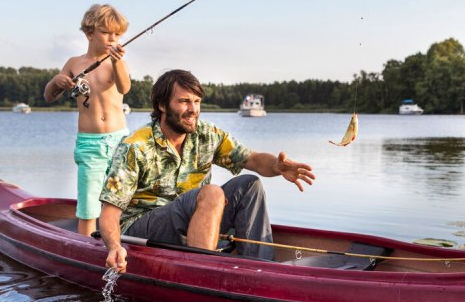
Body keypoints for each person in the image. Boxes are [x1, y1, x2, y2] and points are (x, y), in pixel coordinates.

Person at [98, 69, 314, 272]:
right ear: (162, 105)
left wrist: (276, 165)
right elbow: (109, 213)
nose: (193, 109)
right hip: (141, 228)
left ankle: (261, 270)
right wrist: (114, 246)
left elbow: (253, 159)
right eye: (184, 101)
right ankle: (202, 272)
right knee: (212, 192)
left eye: (197, 101)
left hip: (194, 221)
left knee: (249, 184)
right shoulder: (135, 146)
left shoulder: (207, 134)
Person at [43, 3, 133, 236]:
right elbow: (49, 96)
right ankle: (85, 245)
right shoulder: (75, 63)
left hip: (119, 142)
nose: (112, 39)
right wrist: (57, 81)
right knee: (88, 203)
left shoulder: (116, 62)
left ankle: (118, 242)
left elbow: (125, 87)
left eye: (117, 35)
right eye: (106, 33)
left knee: (119, 198)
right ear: (89, 33)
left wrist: (117, 62)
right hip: (90, 143)